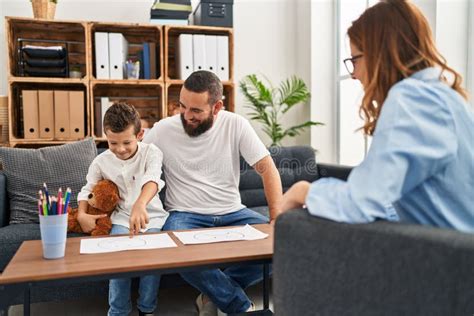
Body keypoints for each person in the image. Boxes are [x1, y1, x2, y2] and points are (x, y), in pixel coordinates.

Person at [280, 0, 474, 233]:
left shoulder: (411, 99)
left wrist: (303, 190)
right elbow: (387, 196)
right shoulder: (447, 98)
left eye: (355, 60)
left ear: (379, 53)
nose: (354, 74)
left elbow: (360, 203)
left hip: (453, 261)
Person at [143, 70, 282, 315]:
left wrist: (275, 218)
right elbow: (133, 160)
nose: (186, 116)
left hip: (233, 212)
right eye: (182, 106)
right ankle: (240, 306)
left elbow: (267, 169)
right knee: (174, 251)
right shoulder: (164, 130)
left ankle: (212, 294)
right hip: (185, 214)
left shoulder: (235, 124)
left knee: (285, 243)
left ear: (217, 107)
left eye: (196, 111)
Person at [77, 102, 168, 316]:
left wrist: (140, 204)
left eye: (126, 142)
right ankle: (118, 311)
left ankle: (147, 309)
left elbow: (153, 179)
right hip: (121, 219)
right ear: (105, 137)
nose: (120, 149)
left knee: (153, 262)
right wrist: (81, 214)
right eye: (113, 143)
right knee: (117, 261)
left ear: (140, 135)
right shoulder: (101, 161)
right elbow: (87, 188)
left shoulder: (152, 153)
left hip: (152, 218)